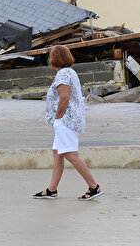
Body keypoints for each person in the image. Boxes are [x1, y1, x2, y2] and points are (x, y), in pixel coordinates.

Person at [33, 45, 103, 201]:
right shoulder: (69, 72)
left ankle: (94, 187)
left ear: (54, 59)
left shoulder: (63, 74)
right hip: (69, 119)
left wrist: (58, 117)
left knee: (71, 155)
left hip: (66, 120)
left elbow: (64, 97)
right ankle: (52, 190)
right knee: (57, 153)